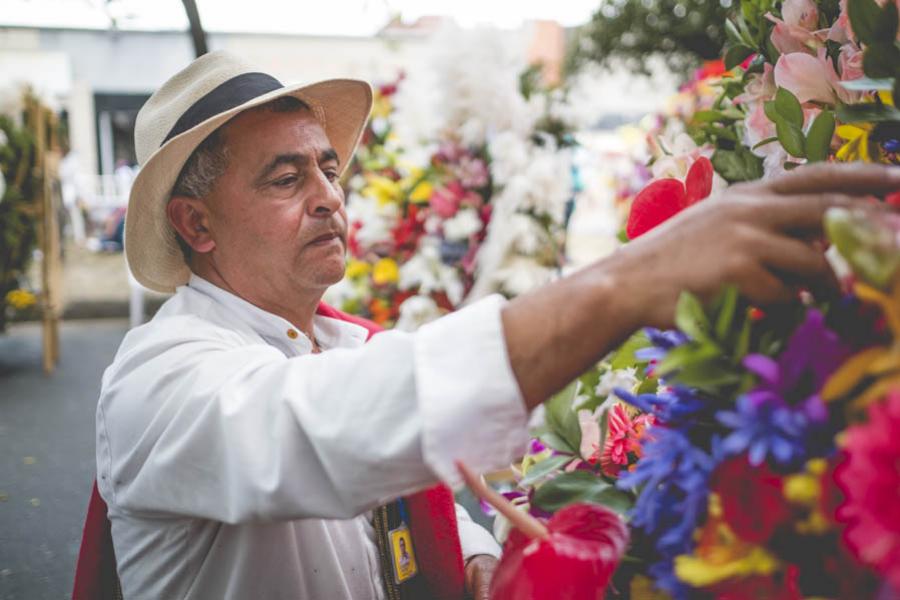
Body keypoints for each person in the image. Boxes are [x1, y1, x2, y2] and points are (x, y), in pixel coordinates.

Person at [75, 51, 900, 600]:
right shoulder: (162, 376)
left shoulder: (343, 342)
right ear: (196, 224)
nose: (330, 194)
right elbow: (330, 430)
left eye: (329, 167)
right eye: (286, 178)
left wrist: (471, 554)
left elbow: (397, 479)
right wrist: (629, 280)